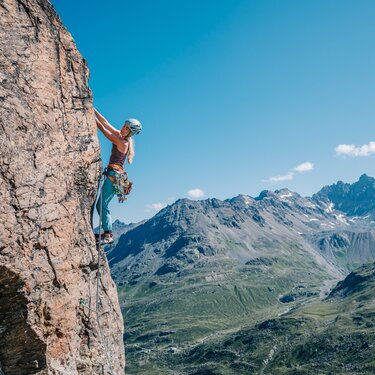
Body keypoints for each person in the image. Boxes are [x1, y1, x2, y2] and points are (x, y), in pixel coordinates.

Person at [95, 108, 142, 244]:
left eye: (126, 128)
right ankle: (107, 233)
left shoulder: (122, 142)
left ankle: (108, 234)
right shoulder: (121, 136)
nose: (122, 128)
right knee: (102, 204)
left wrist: (90, 116)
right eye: (124, 125)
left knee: (102, 204)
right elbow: (106, 123)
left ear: (130, 132)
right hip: (115, 175)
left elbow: (104, 131)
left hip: (114, 176)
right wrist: (93, 109)